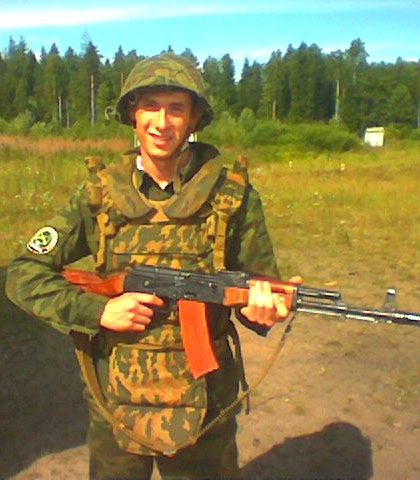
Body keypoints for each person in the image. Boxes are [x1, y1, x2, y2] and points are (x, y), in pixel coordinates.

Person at [6, 53, 291, 480]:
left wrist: (262, 310)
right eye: (150, 106)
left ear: (194, 119)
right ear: (132, 114)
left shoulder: (232, 196)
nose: (162, 122)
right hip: (114, 397)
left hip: (205, 398)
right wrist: (98, 310)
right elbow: (24, 272)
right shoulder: (99, 195)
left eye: (176, 108)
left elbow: (257, 288)